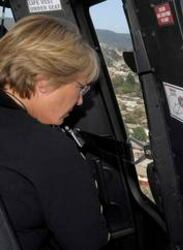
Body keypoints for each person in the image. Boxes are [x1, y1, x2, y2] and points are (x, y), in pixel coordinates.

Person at [0, 15, 109, 249]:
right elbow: (88, 242)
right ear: (45, 82)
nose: (80, 101)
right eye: (80, 87)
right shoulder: (47, 149)